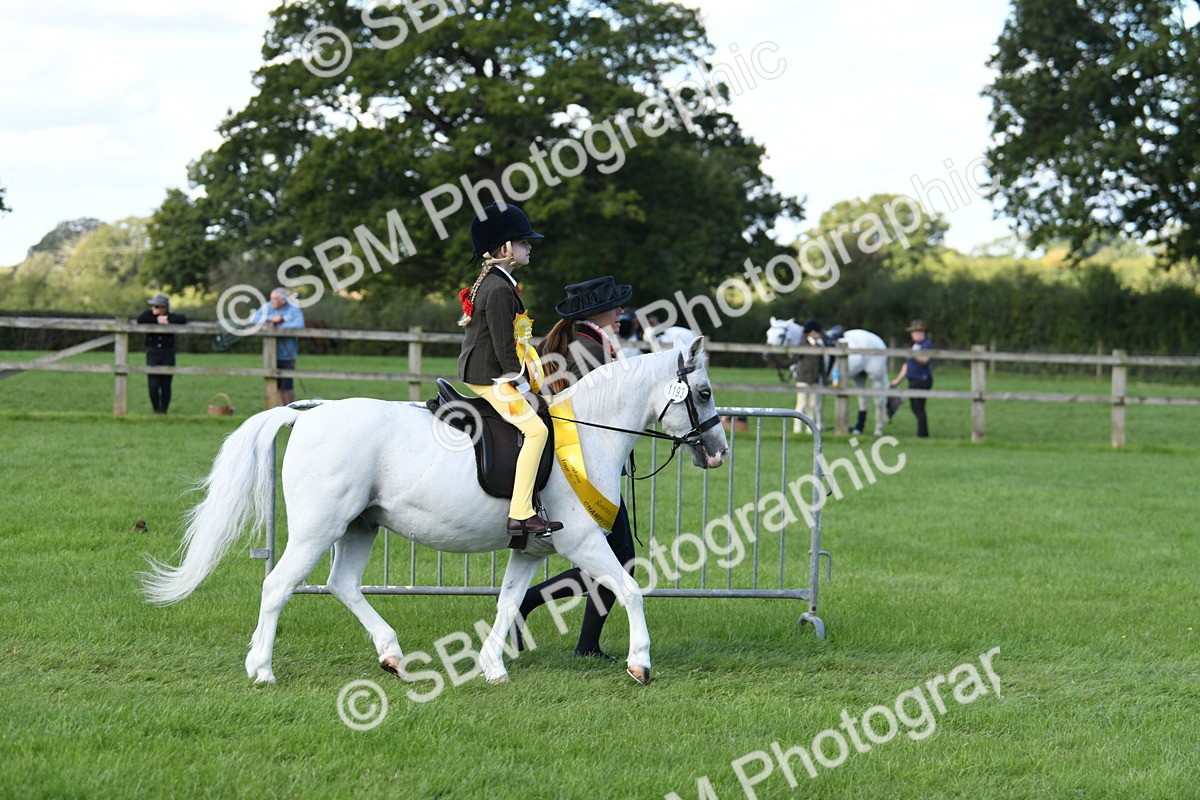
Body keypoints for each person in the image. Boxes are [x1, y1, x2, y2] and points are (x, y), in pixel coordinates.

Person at [515, 275, 635, 661]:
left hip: (578, 464)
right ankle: (534, 606)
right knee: (621, 559)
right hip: (581, 469)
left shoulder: (585, 342)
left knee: (618, 557)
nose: (621, 312)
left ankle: (581, 641)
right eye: (615, 306)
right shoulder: (590, 349)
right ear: (596, 313)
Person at [457, 202, 562, 536]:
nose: (529, 247)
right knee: (537, 431)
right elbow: (504, 348)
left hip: (489, 370)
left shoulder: (499, 283)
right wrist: (524, 387)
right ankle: (520, 513)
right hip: (489, 376)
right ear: (504, 249)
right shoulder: (500, 289)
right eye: (523, 242)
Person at [135, 293, 186, 414]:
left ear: (164, 308)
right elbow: (140, 319)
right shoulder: (149, 315)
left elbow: (183, 319)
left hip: (168, 353)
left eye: (157, 306)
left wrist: (167, 319)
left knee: (166, 384)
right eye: (153, 306)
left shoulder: (171, 316)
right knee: (153, 384)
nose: (154, 308)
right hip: (153, 353)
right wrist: (156, 320)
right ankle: (156, 409)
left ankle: (164, 411)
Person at [253, 288, 305, 406]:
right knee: (276, 384)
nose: (272, 301)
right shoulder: (268, 306)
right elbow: (254, 318)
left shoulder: (293, 309)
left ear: (283, 300)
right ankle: (283, 409)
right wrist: (271, 318)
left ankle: (292, 408)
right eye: (271, 298)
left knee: (287, 385)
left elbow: (299, 324)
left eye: (275, 299)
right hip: (271, 354)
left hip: (287, 354)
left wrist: (280, 324)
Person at [888, 319, 934, 437]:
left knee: (918, 407)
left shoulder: (926, 345)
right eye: (913, 332)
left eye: (917, 332)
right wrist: (897, 381)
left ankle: (922, 434)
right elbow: (906, 365)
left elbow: (925, 360)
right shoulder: (912, 345)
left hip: (922, 379)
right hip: (912, 379)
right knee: (915, 407)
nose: (914, 334)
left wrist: (914, 354)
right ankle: (923, 432)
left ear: (923, 333)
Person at [791, 319, 825, 434]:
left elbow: (821, 365)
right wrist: (780, 363)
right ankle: (797, 429)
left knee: (812, 405)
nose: (820, 334)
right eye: (818, 332)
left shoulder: (819, 346)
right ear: (812, 332)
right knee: (801, 404)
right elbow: (794, 359)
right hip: (804, 379)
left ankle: (810, 429)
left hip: (814, 379)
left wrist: (824, 378)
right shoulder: (803, 345)